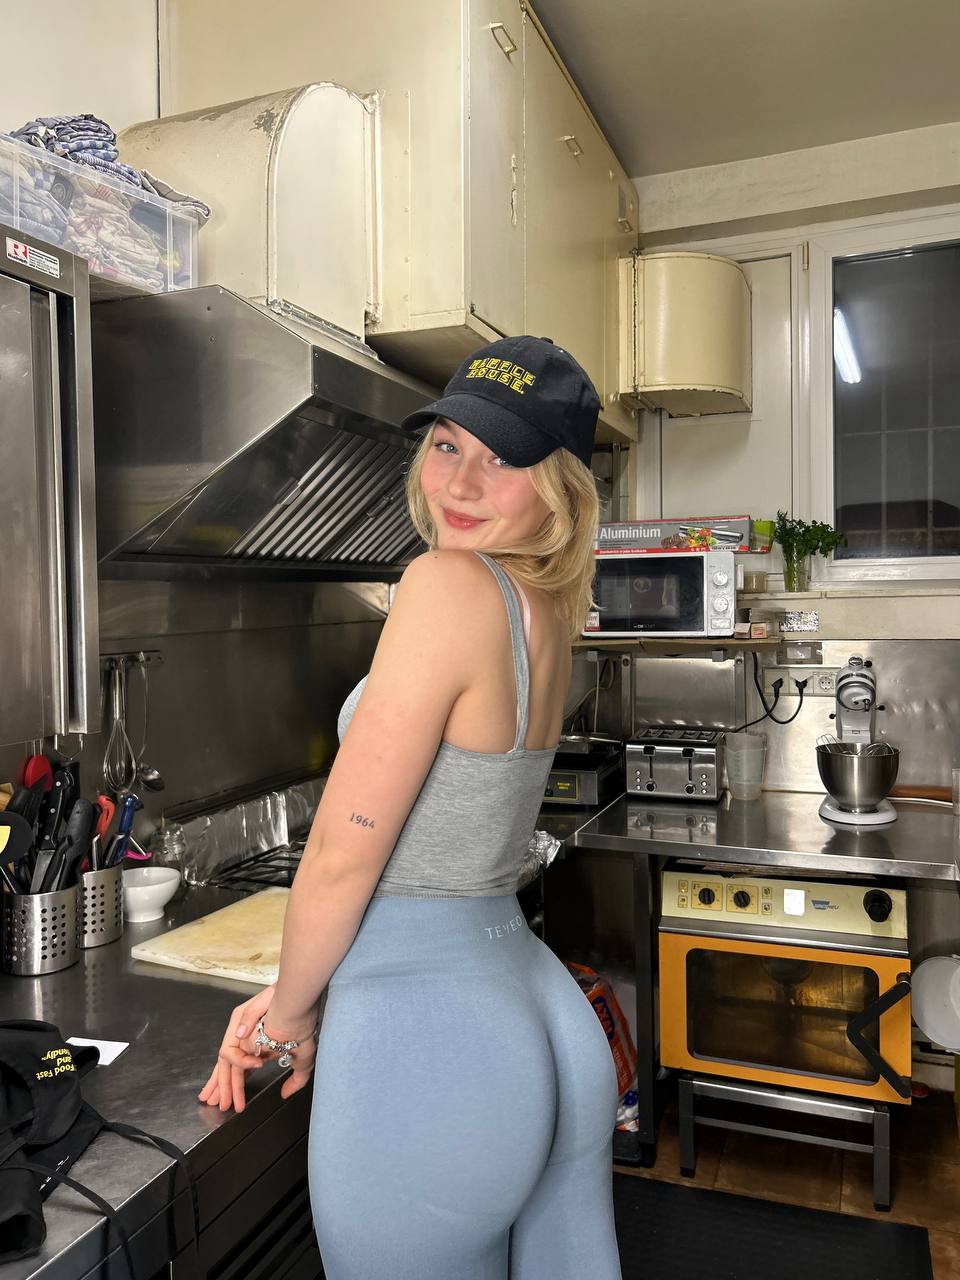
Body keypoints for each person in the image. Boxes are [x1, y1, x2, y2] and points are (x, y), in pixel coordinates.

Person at [198, 336, 623, 1280]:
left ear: (559, 488)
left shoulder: (446, 585)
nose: (461, 482)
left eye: (504, 458)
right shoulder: (546, 605)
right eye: (446, 445)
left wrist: (287, 1015)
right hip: (534, 1009)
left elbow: (342, 856)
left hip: (432, 1037)